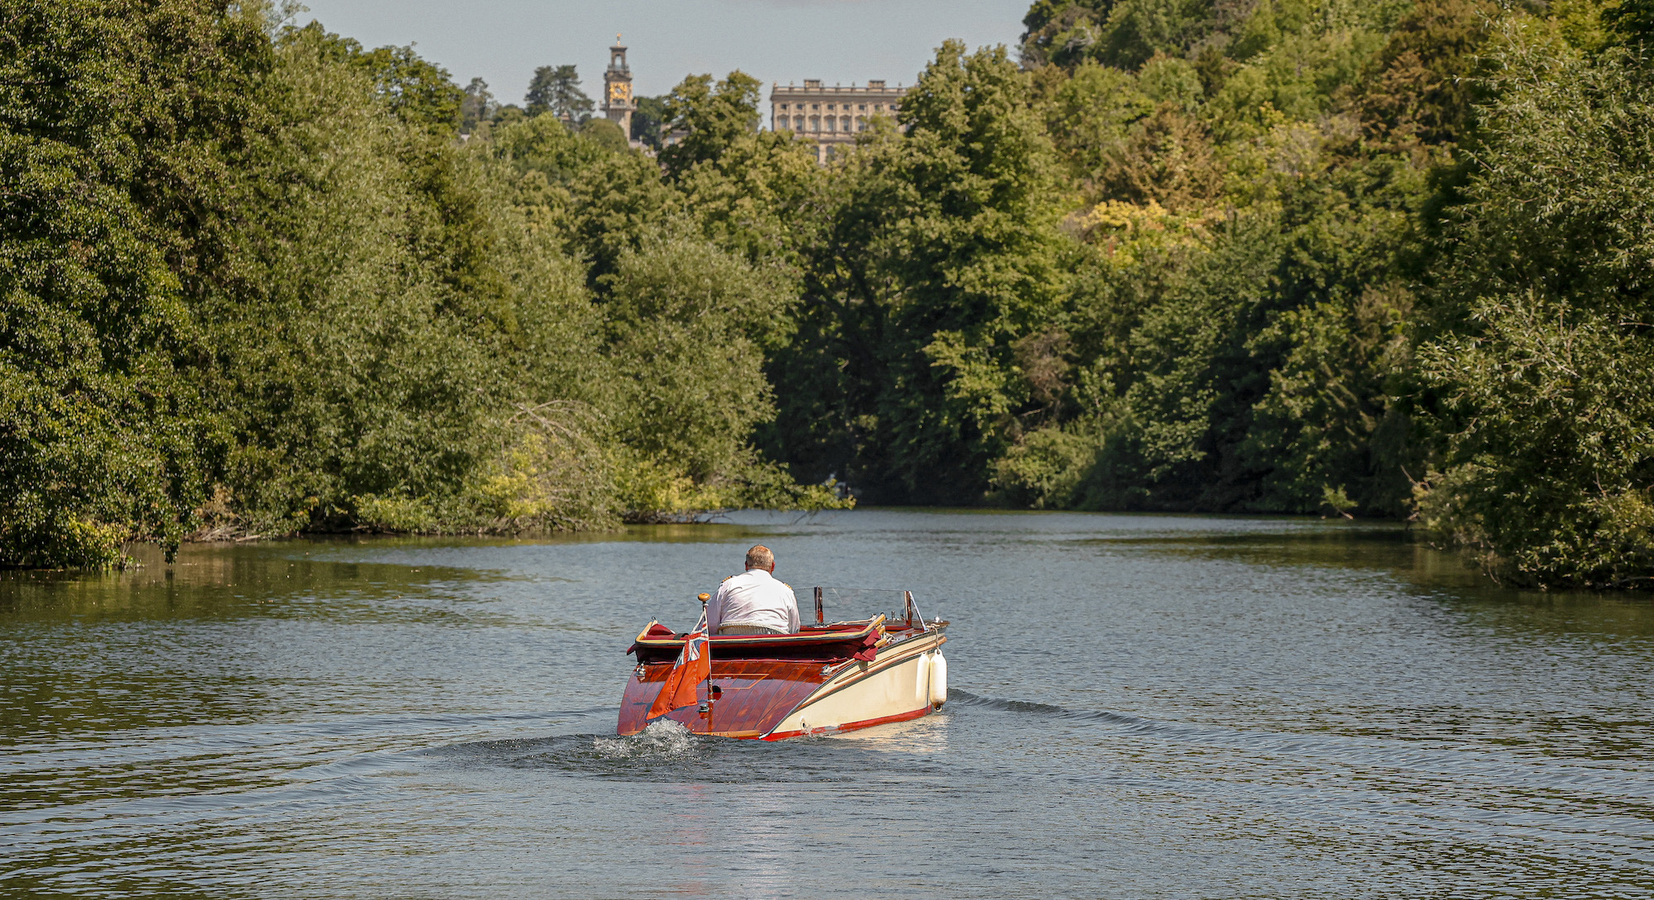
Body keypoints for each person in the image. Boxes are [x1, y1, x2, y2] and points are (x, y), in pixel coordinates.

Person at [707, 545, 800, 635]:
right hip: (773, 647)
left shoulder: (728, 585)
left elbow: (709, 624)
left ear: (746, 565)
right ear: (773, 566)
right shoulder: (785, 591)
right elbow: (794, 629)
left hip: (732, 646)